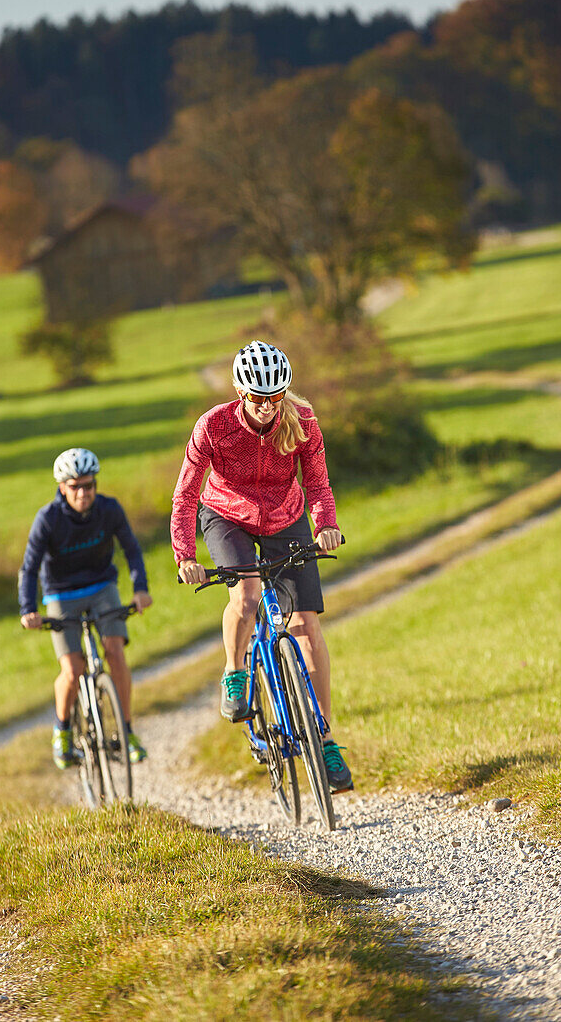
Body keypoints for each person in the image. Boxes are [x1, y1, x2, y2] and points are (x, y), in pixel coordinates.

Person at [171, 339, 353, 792]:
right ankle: (235, 673)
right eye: (258, 397)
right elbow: (186, 494)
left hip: (284, 517)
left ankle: (325, 738)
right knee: (248, 595)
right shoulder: (213, 426)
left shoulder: (302, 421)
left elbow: (318, 483)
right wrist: (185, 555)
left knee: (306, 625)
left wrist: (325, 525)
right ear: (239, 391)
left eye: (276, 396)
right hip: (226, 516)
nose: (268, 406)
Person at [19, 448, 153, 770]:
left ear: (96, 484)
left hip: (102, 587)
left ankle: (127, 731)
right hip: (61, 595)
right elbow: (29, 568)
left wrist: (140, 589)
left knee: (116, 652)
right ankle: (62, 730)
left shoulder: (109, 510)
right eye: (75, 486)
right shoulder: (47, 519)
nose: (83, 493)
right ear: (62, 487)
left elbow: (131, 549)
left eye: (89, 485)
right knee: (73, 668)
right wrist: (28, 609)